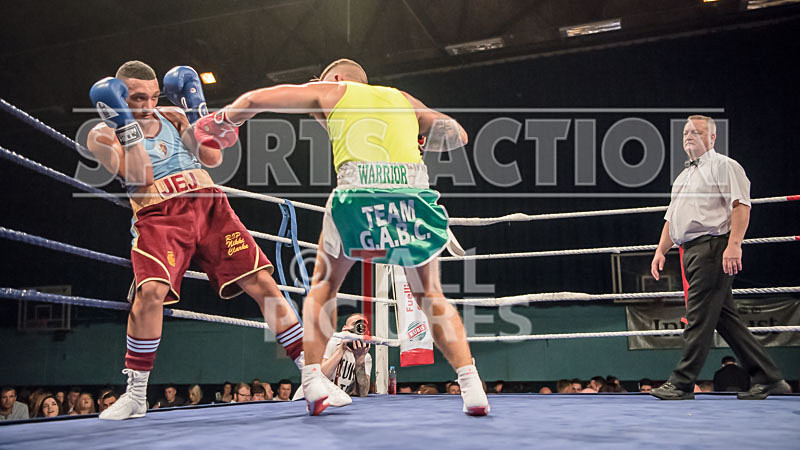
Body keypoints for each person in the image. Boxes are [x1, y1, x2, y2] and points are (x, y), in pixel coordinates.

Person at [213, 57, 490, 417]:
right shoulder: (402, 98)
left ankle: (312, 379)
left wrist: (222, 121)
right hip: (413, 195)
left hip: (359, 192)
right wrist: (418, 138)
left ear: (338, 78)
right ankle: (471, 386)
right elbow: (457, 134)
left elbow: (256, 100)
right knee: (430, 295)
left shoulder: (334, 89)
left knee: (324, 287)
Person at [86, 61, 322, 420]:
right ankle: (136, 394)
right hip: (160, 213)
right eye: (136, 98)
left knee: (262, 281)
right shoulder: (102, 134)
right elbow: (141, 175)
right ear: (117, 96)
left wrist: (197, 114)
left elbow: (213, 157)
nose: (148, 105)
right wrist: (126, 125)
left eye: (153, 96)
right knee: (149, 293)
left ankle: (310, 373)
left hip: (210, 204)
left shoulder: (173, 116)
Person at [649, 115, 790, 401]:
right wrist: (660, 250)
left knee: (699, 318)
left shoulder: (725, 166)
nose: (689, 135)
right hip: (690, 251)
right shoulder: (683, 176)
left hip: (713, 247)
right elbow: (672, 218)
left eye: (697, 132)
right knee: (726, 320)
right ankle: (769, 378)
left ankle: (682, 382)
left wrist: (734, 244)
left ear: (712, 138)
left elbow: (741, 206)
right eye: (686, 131)